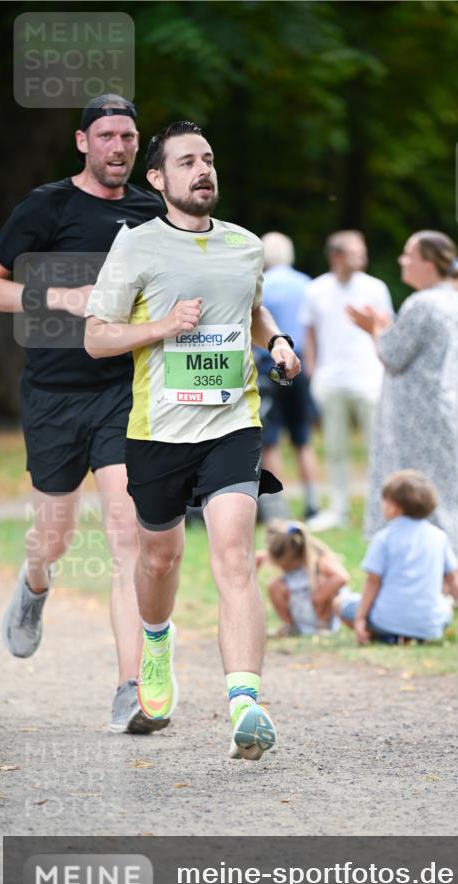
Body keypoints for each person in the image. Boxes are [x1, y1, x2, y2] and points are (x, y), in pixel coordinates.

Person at [84, 121, 301, 761]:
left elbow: (253, 311)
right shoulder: (136, 246)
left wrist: (279, 341)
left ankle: (245, 705)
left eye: (208, 159)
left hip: (233, 424)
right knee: (160, 559)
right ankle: (156, 642)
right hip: (157, 433)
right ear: (158, 180)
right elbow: (98, 337)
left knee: (234, 554)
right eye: (186, 162)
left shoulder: (244, 245)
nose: (203, 170)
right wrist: (160, 327)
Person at [0, 95, 163, 735]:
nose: (120, 147)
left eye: (130, 137)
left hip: (125, 391)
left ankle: (130, 690)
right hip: (55, 393)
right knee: (53, 535)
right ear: (82, 141)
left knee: (127, 533)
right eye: (108, 136)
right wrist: (60, 294)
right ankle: (34, 585)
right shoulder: (46, 206)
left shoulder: (152, 213)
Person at [347, 230, 458, 564]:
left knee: (411, 495)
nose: (402, 260)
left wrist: (374, 328)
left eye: (409, 254)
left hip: (417, 421)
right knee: (444, 496)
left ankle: (411, 575)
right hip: (450, 413)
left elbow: (392, 354)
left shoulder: (423, 303)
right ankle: (448, 580)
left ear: (429, 263)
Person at [302, 230, 394, 531]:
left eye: (362, 252)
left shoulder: (375, 287)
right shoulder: (316, 289)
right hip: (331, 380)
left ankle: (382, 507)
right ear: (335, 256)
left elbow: (388, 327)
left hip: (370, 378)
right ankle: (338, 509)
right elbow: (311, 334)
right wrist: (312, 372)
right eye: (355, 253)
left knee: (376, 445)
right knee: (335, 447)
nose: (362, 259)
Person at [338, 470, 458, 644]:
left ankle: (386, 634)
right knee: (446, 605)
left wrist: (360, 618)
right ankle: (412, 633)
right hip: (429, 625)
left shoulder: (383, 538)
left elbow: (373, 581)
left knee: (341, 604)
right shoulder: (439, 537)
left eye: (385, 500)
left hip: (385, 620)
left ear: (395, 507)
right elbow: (454, 580)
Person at [254, 232, 320, 521]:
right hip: (299, 366)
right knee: (302, 438)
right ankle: (312, 502)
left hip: (271, 369)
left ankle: (277, 507)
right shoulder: (307, 285)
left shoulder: (262, 285)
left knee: (270, 439)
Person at [258, 520, 350, 636]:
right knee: (274, 586)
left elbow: (342, 577)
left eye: (287, 565)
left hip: (319, 612)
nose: (285, 569)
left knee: (325, 581)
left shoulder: (318, 560)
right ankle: (289, 625)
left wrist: (318, 598)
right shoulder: (279, 551)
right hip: (298, 609)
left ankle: (323, 625)